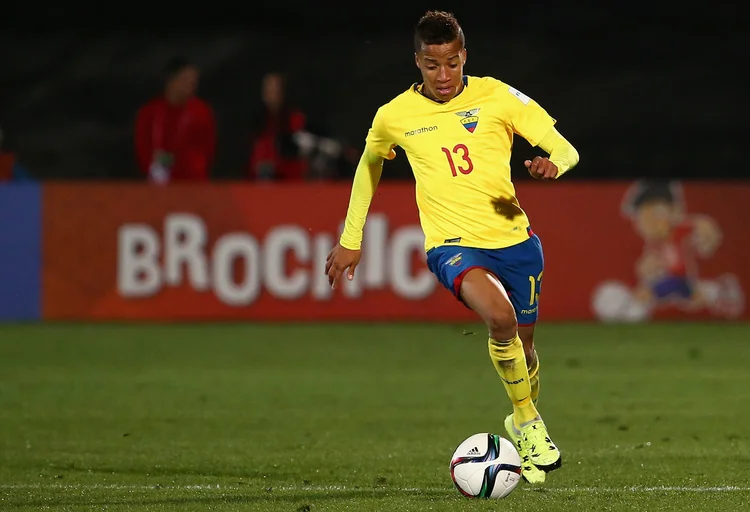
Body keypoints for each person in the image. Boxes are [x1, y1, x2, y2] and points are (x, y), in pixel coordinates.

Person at [325, 11, 580, 484]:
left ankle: (523, 419)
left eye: (451, 63)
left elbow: (566, 148)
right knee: (499, 319)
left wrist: (554, 166)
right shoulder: (395, 115)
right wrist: (350, 239)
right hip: (453, 245)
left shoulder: (498, 96)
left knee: (524, 350)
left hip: (516, 242)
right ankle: (527, 420)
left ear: (464, 56)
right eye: (431, 66)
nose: (443, 76)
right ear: (417, 62)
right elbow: (368, 166)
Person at [134, 57, 216, 183]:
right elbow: (142, 147)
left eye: (194, 80)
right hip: (159, 183)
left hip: (194, 184)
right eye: (186, 79)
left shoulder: (201, 111)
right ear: (171, 80)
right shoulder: (150, 112)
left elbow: (209, 149)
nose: (192, 84)